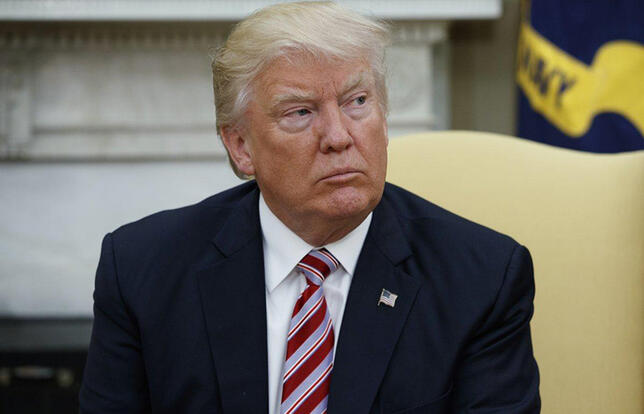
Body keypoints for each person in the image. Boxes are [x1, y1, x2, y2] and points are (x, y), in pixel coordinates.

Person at [79, 2, 540, 413]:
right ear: (240, 146)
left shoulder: (482, 278)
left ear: (383, 117)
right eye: (300, 112)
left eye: (357, 101)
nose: (339, 137)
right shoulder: (142, 270)